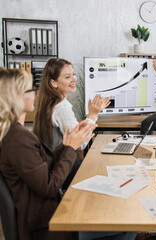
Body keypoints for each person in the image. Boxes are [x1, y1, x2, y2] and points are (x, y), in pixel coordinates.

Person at [0, 68, 137, 240]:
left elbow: (42, 167)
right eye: (30, 89)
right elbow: (50, 186)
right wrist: (71, 148)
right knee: (128, 223)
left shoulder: (12, 134)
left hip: (42, 215)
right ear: (14, 98)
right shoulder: (18, 139)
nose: (35, 93)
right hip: (48, 225)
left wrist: (66, 145)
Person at [33, 58, 110, 190]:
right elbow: (81, 144)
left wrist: (92, 114)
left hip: (52, 166)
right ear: (53, 83)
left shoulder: (49, 102)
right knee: (103, 169)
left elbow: (75, 133)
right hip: (61, 170)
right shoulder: (61, 108)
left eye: (73, 74)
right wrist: (93, 114)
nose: (74, 79)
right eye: (67, 77)